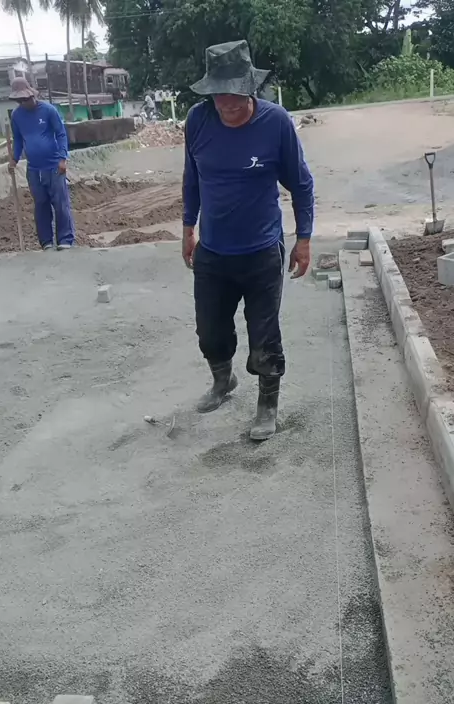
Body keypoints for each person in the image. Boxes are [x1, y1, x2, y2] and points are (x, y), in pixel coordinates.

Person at [182, 40, 314, 441]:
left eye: (234, 94)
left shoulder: (276, 123)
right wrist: (188, 228)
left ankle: (267, 406)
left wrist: (303, 238)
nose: (226, 103)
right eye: (218, 94)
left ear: (250, 88)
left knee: (264, 336)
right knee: (210, 333)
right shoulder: (198, 120)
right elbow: (192, 178)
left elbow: (301, 184)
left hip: (261, 252)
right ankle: (223, 381)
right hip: (213, 252)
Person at [8, 77, 75, 251]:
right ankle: (46, 242)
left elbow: (61, 134)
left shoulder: (48, 110)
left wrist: (62, 158)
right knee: (41, 205)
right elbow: (17, 139)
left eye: (26, 99)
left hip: (54, 166)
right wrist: (14, 159)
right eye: (20, 101)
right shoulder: (16, 116)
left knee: (60, 204)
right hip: (34, 169)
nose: (24, 103)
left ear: (32, 95)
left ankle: (65, 239)